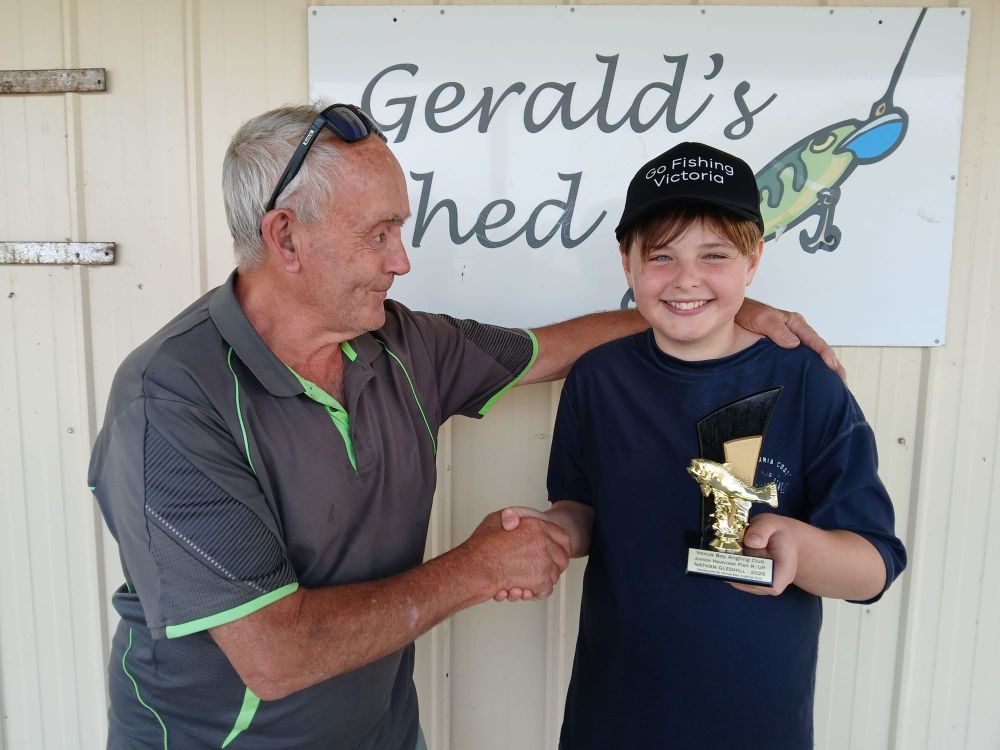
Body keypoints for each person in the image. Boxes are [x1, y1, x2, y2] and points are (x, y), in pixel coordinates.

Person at [87, 104, 842, 750]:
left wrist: (716, 306)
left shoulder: (402, 344)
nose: (403, 260)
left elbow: (554, 348)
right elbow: (276, 655)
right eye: (379, 233)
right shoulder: (168, 402)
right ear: (285, 237)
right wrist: (480, 568)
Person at [503, 142, 907, 749]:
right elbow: (582, 507)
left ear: (753, 260)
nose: (687, 277)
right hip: (613, 715)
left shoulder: (808, 384)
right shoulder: (598, 378)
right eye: (661, 256)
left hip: (755, 724)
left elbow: (874, 566)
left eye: (714, 254)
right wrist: (554, 532)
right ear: (628, 265)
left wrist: (800, 545)